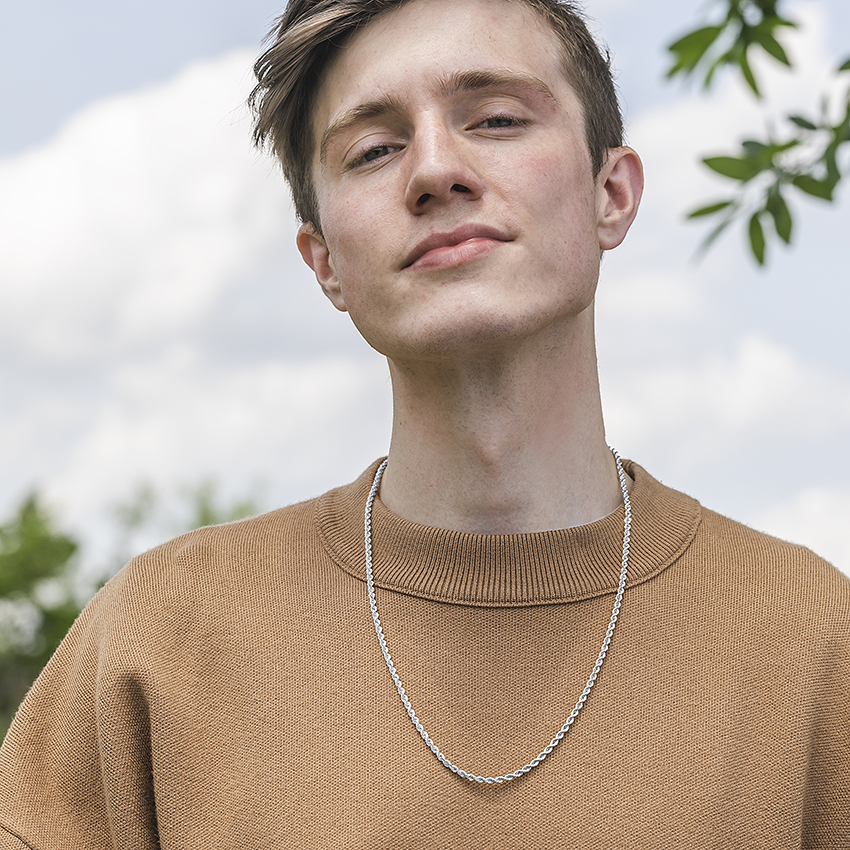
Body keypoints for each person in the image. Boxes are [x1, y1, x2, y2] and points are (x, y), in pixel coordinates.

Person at [1, 0, 848, 846]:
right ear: (325, 262)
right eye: (374, 149)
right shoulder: (158, 642)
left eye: (497, 119)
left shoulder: (817, 644)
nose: (436, 170)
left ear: (612, 193)